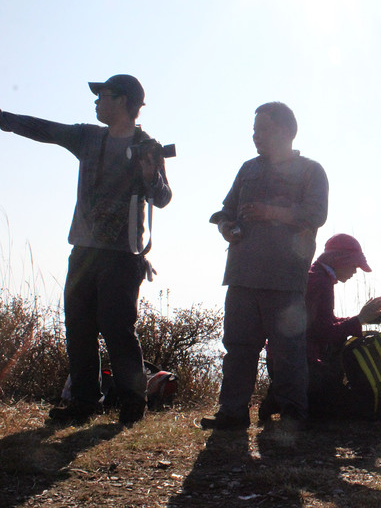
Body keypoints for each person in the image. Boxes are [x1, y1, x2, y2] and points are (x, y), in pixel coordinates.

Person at [0, 74, 172, 425]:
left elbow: (162, 198)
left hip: (123, 255)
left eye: (103, 96)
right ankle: (83, 401)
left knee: (117, 327)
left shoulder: (147, 146)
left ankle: (132, 401)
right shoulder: (88, 137)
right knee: (78, 325)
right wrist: (5, 119)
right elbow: (42, 128)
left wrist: (150, 172)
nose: (96, 102)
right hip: (83, 249)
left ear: (123, 101)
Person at [202, 102, 329, 430]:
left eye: (264, 129)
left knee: (288, 352)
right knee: (238, 348)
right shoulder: (248, 169)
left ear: (286, 132)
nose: (256, 136)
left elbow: (316, 215)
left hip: (285, 278)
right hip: (242, 274)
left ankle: (293, 415)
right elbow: (226, 211)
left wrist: (271, 212)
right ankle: (231, 413)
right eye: (254, 130)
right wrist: (226, 228)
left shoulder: (311, 171)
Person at [258, 233, 381, 422]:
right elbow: (322, 332)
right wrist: (359, 320)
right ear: (340, 259)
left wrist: (361, 319)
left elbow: (323, 323)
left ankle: (281, 395)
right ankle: (283, 396)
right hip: (298, 365)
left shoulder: (317, 275)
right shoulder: (319, 281)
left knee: (340, 406)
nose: (355, 271)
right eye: (354, 265)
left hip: (285, 362)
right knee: (352, 410)